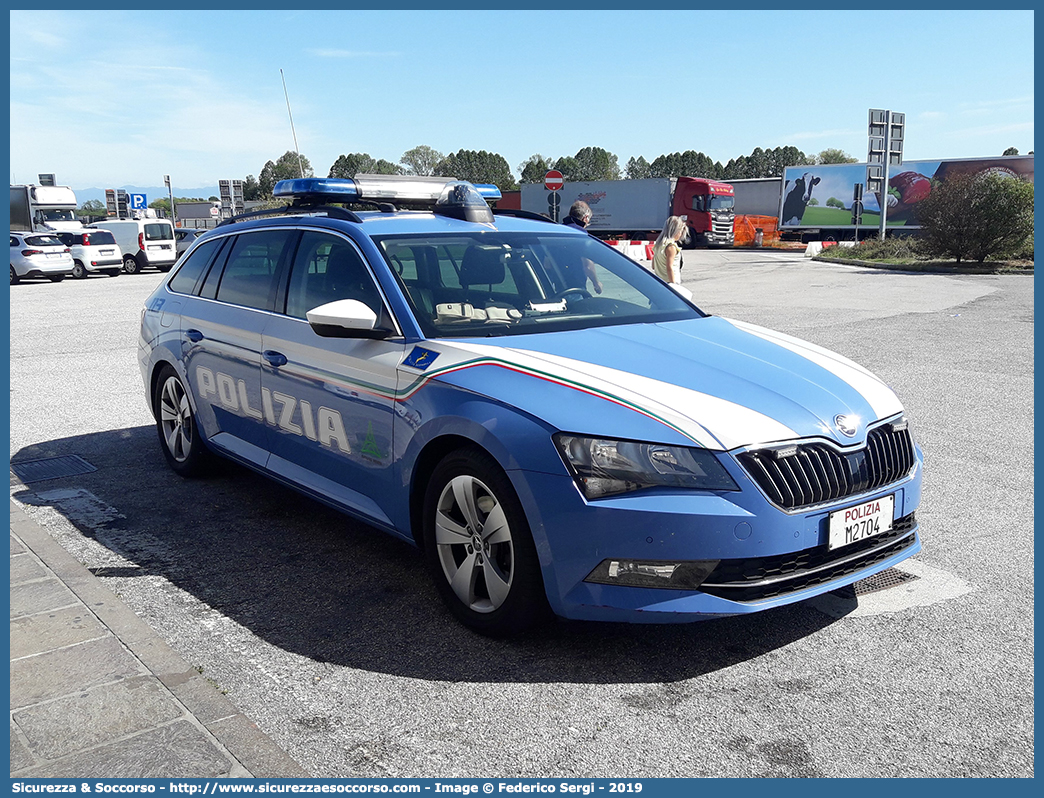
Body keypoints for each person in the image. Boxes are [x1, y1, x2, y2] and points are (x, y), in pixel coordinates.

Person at [558, 200, 603, 294]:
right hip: (574, 286)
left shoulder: (558, 231)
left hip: (554, 285)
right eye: (588, 222)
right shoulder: (580, 235)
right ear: (585, 218)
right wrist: (596, 283)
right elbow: (588, 265)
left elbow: (547, 264)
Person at [652, 216, 687, 284]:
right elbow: (669, 268)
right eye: (680, 231)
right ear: (676, 231)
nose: (680, 234)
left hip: (660, 282)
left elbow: (653, 266)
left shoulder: (658, 245)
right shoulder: (671, 246)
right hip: (670, 282)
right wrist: (673, 285)